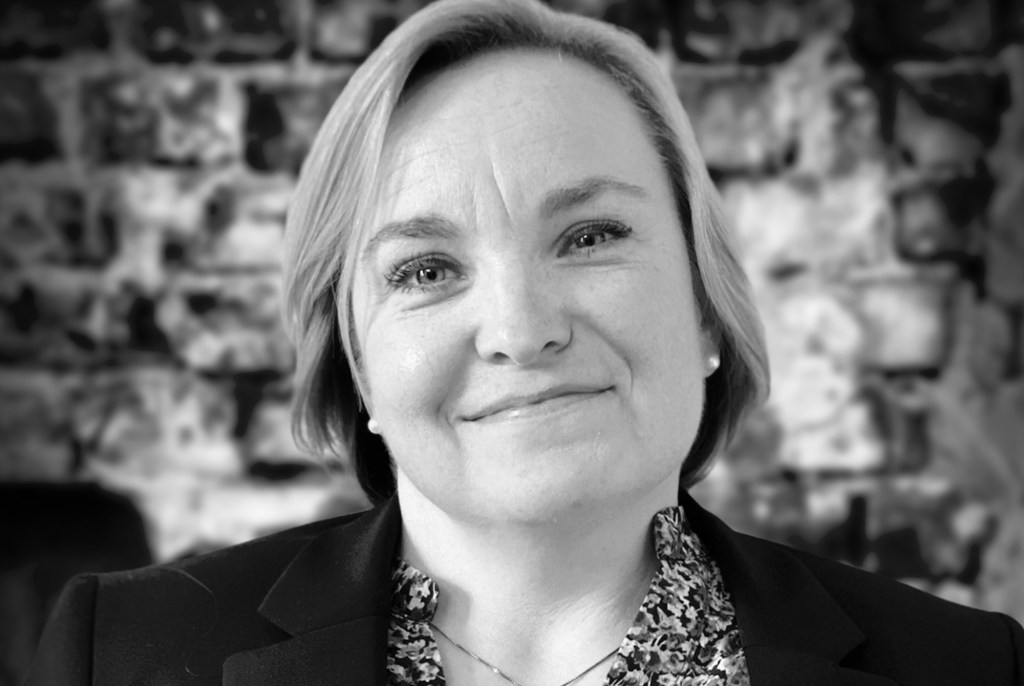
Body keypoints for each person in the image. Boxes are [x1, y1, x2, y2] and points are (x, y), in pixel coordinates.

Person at [26, 0, 1024, 684]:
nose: (520, 329)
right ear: (357, 363)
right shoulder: (121, 654)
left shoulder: (968, 668)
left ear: (706, 307)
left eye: (590, 237)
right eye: (425, 269)